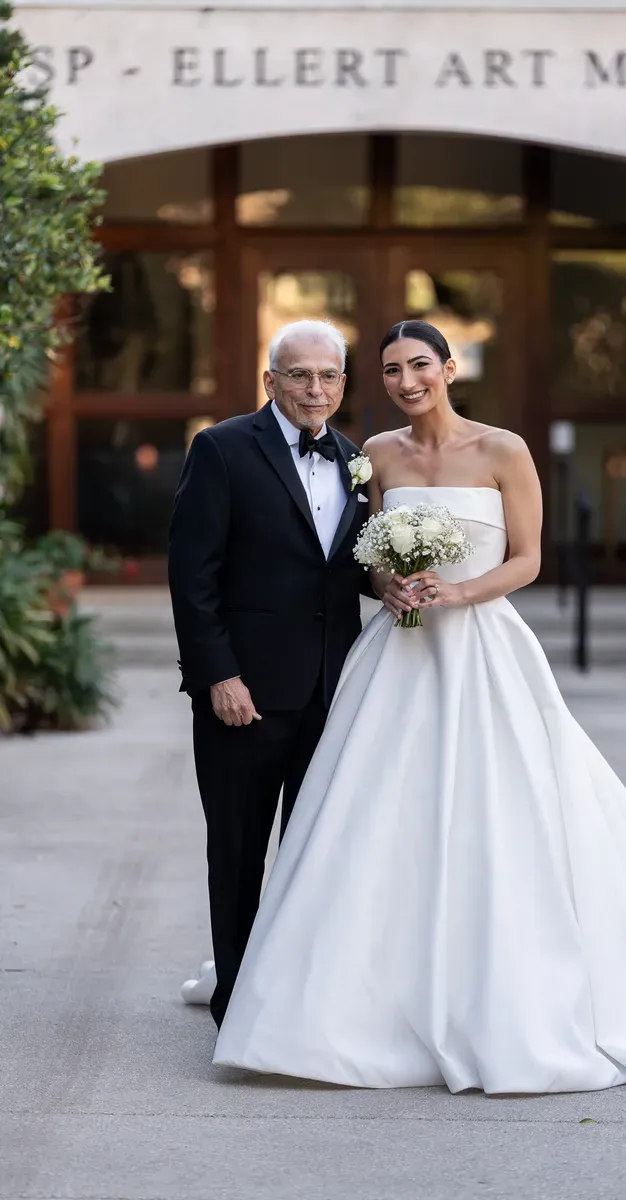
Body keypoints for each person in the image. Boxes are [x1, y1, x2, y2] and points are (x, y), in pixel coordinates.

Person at [211, 319, 626, 1093]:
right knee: (371, 815)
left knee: (503, 809)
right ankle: (348, 994)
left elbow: (528, 558)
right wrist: (392, 585)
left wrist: (457, 590)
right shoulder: (373, 457)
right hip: (397, 654)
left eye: (419, 364)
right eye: (390, 370)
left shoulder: (504, 450)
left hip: (483, 649)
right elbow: (362, 552)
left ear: (450, 367)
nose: (406, 380)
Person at [168, 319, 380, 1029]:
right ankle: (236, 1000)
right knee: (237, 851)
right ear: (271, 380)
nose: (313, 389)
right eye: (298, 375)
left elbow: (346, 571)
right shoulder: (223, 448)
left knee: (315, 851)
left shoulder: (356, 460)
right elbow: (192, 578)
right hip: (245, 695)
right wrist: (217, 676)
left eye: (326, 376)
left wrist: (402, 583)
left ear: (343, 385)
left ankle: (295, 993)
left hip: (331, 691)